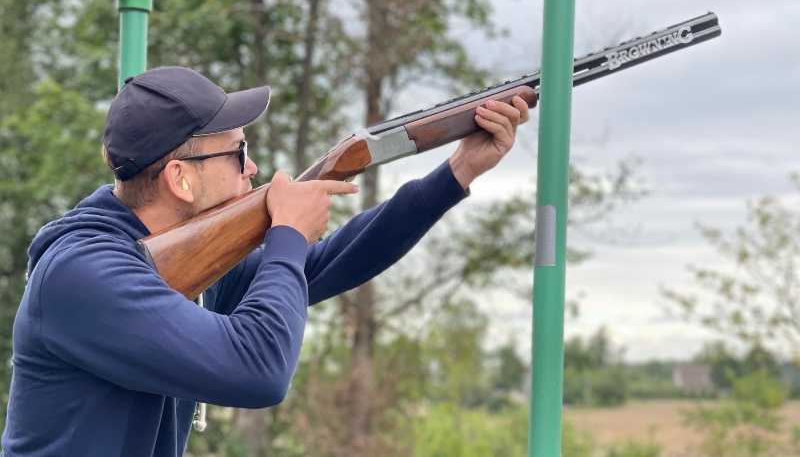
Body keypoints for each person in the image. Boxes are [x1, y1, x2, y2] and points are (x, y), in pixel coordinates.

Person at [1, 66, 529, 456]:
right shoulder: (82, 274)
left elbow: (316, 268)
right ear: (180, 179)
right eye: (237, 152)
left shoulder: (170, 260)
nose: (252, 167)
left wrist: (456, 173)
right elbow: (258, 371)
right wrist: (285, 232)